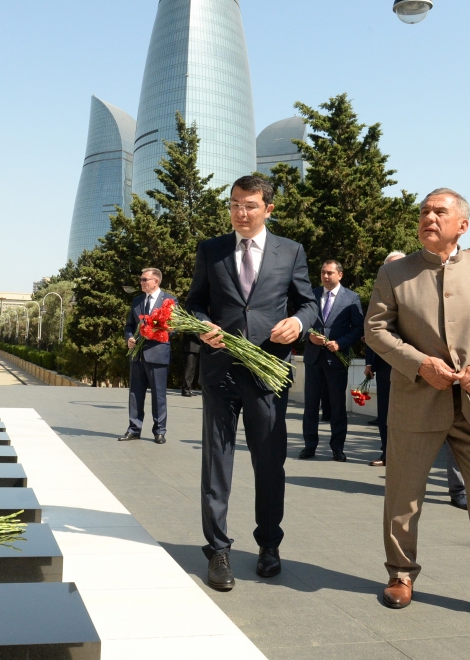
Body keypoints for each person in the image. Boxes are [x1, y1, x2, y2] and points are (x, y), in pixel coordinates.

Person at [364, 188, 470, 630]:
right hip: (415, 403)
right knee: (402, 496)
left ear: (462, 225)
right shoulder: (395, 272)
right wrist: (419, 364)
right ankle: (401, 575)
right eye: (424, 211)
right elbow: (376, 330)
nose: (429, 217)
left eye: (439, 211)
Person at [186, 175, 318, 590]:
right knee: (216, 462)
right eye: (234, 205)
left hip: (268, 372)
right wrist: (202, 325)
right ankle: (217, 549)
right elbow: (195, 302)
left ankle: (269, 545)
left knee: (270, 462)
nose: (240, 213)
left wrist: (297, 323)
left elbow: (308, 303)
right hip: (220, 370)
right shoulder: (211, 249)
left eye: (250, 205)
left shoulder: (290, 251)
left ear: (268, 209)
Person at [300, 260, 364, 462]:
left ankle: (337, 448)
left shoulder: (351, 298)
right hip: (313, 359)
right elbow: (302, 321)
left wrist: (340, 343)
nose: (325, 276)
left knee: (337, 406)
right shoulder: (312, 294)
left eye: (329, 273)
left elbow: (358, 328)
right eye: (323, 273)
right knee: (311, 405)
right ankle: (309, 446)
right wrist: (309, 336)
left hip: (336, 359)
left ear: (340, 275)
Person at [119, 268, 176, 445]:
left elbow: (174, 327)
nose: (141, 283)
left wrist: (155, 332)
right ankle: (134, 429)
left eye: (145, 280)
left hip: (157, 353)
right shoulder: (137, 301)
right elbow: (129, 325)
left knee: (158, 394)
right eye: (141, 279)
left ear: (156, 281)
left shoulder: (169, 300)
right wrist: (129, 338)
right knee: (135, 393)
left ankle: (159, 431)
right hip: (137, 355)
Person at [363, 251, 406, 466]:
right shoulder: (380, 295)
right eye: (390, 267)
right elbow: (373, 330)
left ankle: (405, 457)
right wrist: (369, 362)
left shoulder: (416, 292)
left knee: (408, 413)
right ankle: (387, 454)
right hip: (384, 364)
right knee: (385, 412)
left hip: (411, 364)